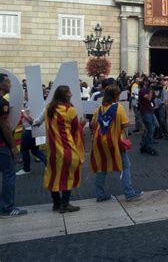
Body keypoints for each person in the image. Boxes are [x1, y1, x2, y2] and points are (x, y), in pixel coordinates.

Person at [90, 84, 143, 202]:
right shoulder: (118, 108)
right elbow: (125, 124)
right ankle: (129, 193)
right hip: (115, 141)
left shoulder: (99, 108)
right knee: (125, 166)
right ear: (116, 95)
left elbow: (93, 124)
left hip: (99, 141)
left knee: (101, 167)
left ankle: (100, 194)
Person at [43, 85, 85, 213]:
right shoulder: (70, 110)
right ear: (64, 95)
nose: (71, 94)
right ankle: (65, 204)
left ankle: (56, 202)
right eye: (69, 92)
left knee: (53, 175)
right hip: (67, 148)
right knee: (68, 175)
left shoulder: (48, 109)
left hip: (52, 149)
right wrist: (81, 125)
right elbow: (75, 130)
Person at [0, 73, 28, 218]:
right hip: (1, 145)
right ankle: (7, 208)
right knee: (9, 174)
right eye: (7, 82)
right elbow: (5, 127)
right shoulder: (2, 103)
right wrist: (13, 147)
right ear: (1, 85)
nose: (10, 85)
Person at [16, 94, 47, 176]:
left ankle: (26, 169)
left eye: (26, 94)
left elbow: (32, 121)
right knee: (35, 150)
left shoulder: (31, 105)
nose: (25, 95)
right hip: (31, 130)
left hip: (29, 131)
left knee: (24, 150)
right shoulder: (32, 104)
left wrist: (23, 113)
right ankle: (49, 164)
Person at [139, 79, 158, 156]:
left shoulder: (149, 91)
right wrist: (150, 91)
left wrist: (155, 92)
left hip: (150, 111)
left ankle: (143, 146)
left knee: (150, 129)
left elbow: (155, 97)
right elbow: (149, 98)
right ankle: (149, 147)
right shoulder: (142, 91)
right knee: (150, 130)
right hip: (146, 112)